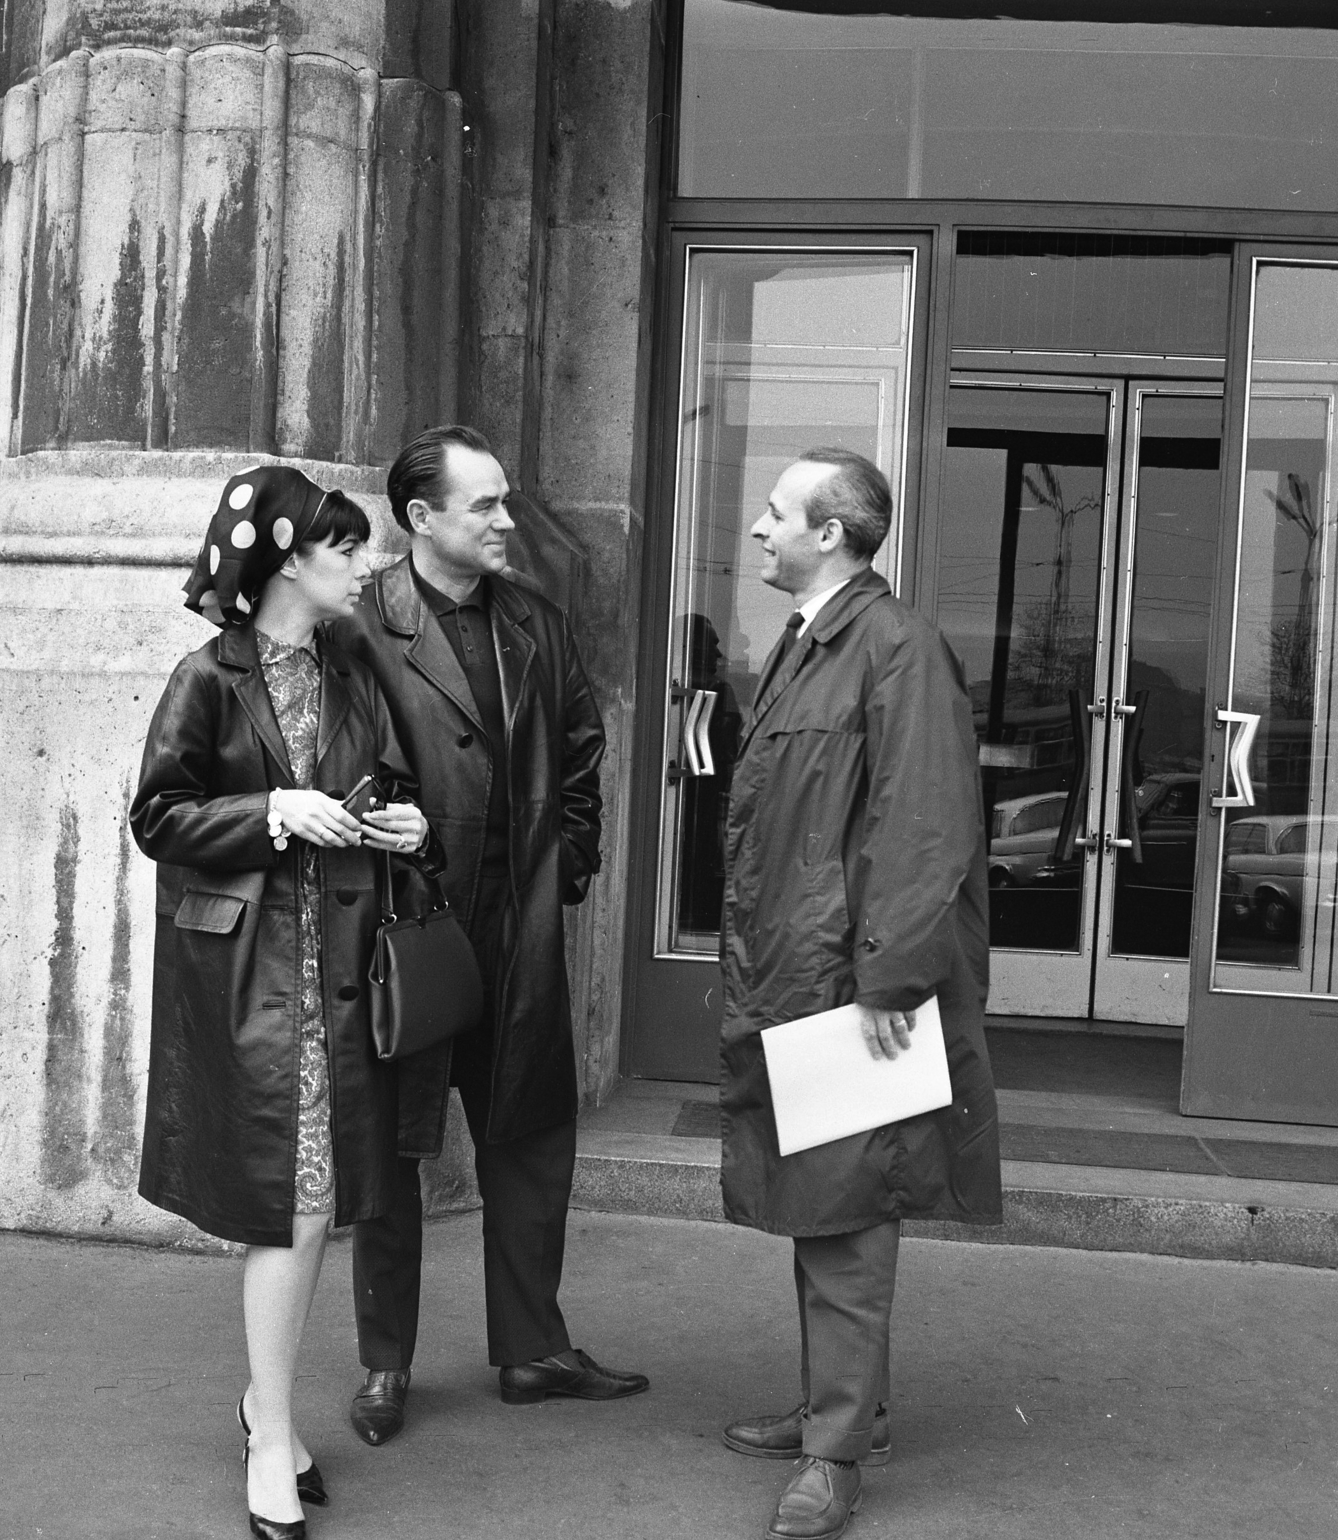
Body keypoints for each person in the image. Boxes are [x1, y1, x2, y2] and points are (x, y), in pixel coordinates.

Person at [130, 466, 442, 1540]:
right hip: (251, 976)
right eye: (346, 547)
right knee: (294, 1203)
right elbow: (160, 817)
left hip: (340, 966)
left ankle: (267, 1406)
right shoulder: (207, 677)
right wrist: (272, 810)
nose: (365, 563)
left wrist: (404, 827)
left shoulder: (350, 663)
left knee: (312, 1203)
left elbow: (390, 783)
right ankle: (269, 1432)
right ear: (287, 561)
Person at [334, 423, 647, 1445]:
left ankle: (531, 1348)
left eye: (505, 499)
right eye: (485, 504)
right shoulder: (359, 623)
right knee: (390, 1150)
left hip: (517, 920)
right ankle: (385, 1362)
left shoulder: (537, 622)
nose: (507, 518)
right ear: (421, 518)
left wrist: (569, 862)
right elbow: (329, 755)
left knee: (531, 1137)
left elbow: (582, 752)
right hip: (407, 923)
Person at [718, 449, 1001, 1540]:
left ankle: (835, 1453)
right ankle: (842, 1408)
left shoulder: (893, 645)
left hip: (852, 980)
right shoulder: (815, 642)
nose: (756, 528)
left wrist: (889, 977)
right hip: (805, 967)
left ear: (827, 534)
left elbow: (924, 821)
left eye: (775, 513)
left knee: (847, 1212)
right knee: (819, 1202)